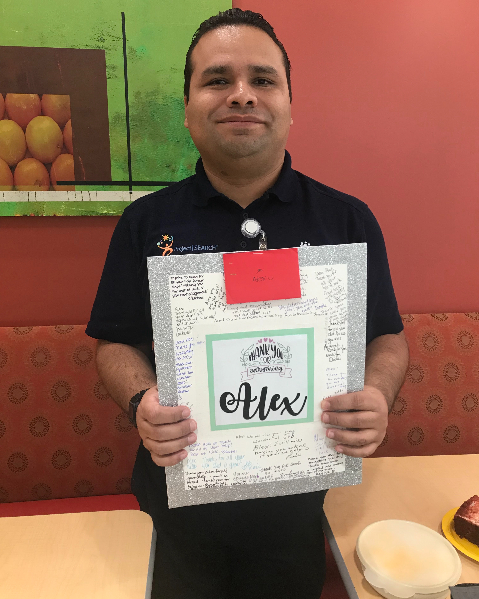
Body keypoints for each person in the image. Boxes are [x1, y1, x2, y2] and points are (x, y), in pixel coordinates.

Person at [86, 8, 409, 599]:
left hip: (301, 511)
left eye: (262, 80)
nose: (241, 96)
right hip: (179, 507)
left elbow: (386, 336)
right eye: (217, 80)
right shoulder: (144, 224)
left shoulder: (347, 220)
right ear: (187, 107)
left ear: (289, 102)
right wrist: (140, 400)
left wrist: (378, 397)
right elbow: (114, 340)